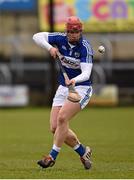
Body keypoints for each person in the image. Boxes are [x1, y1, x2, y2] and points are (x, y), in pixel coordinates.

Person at [33, 16, 93, 170]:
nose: (74, 34)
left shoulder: (85, 47)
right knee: (55, 127)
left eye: (76, 31)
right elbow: (37, 36)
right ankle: (83, 151)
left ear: (81, 31)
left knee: (62, 118)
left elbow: (86, 73)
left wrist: (74, 80)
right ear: (66, 31)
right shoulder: (60, 39)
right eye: (71, 31)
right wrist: (50, 48)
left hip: (81, 87)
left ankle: (52, 157)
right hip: (63, 87)